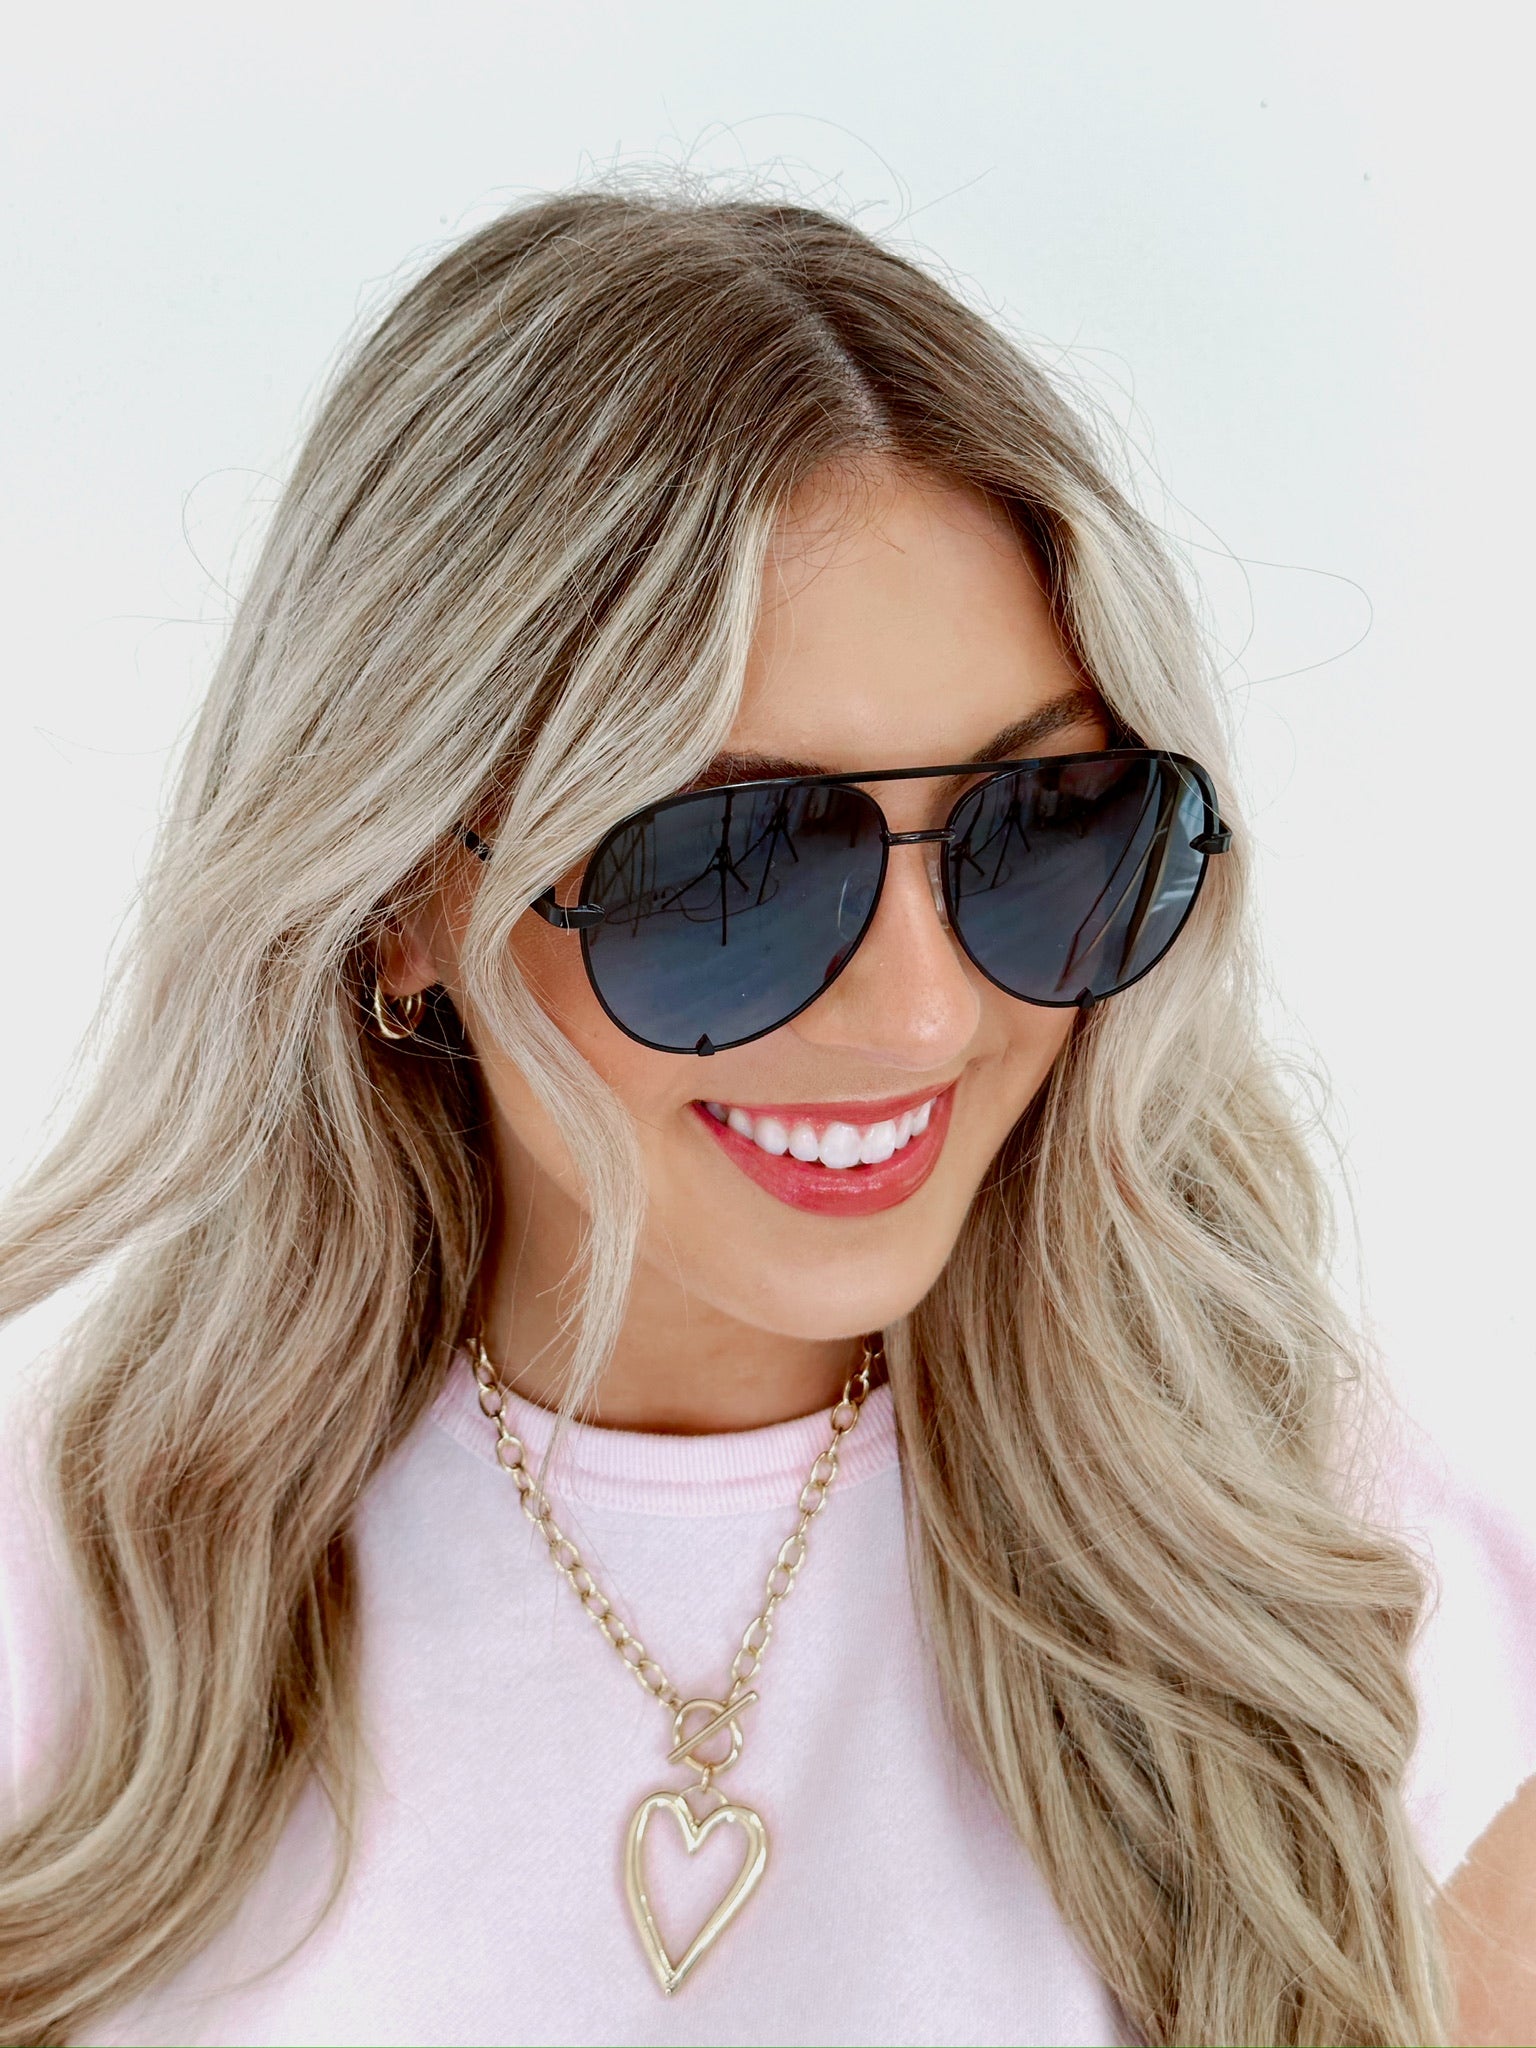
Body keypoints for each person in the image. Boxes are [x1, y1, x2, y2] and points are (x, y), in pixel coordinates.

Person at [1, 182, 1532, 2048]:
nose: (927, 1009)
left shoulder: (1349, 1593)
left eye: (1043, 827)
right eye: (727, 867)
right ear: (402, 899)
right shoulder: (60, 1603)